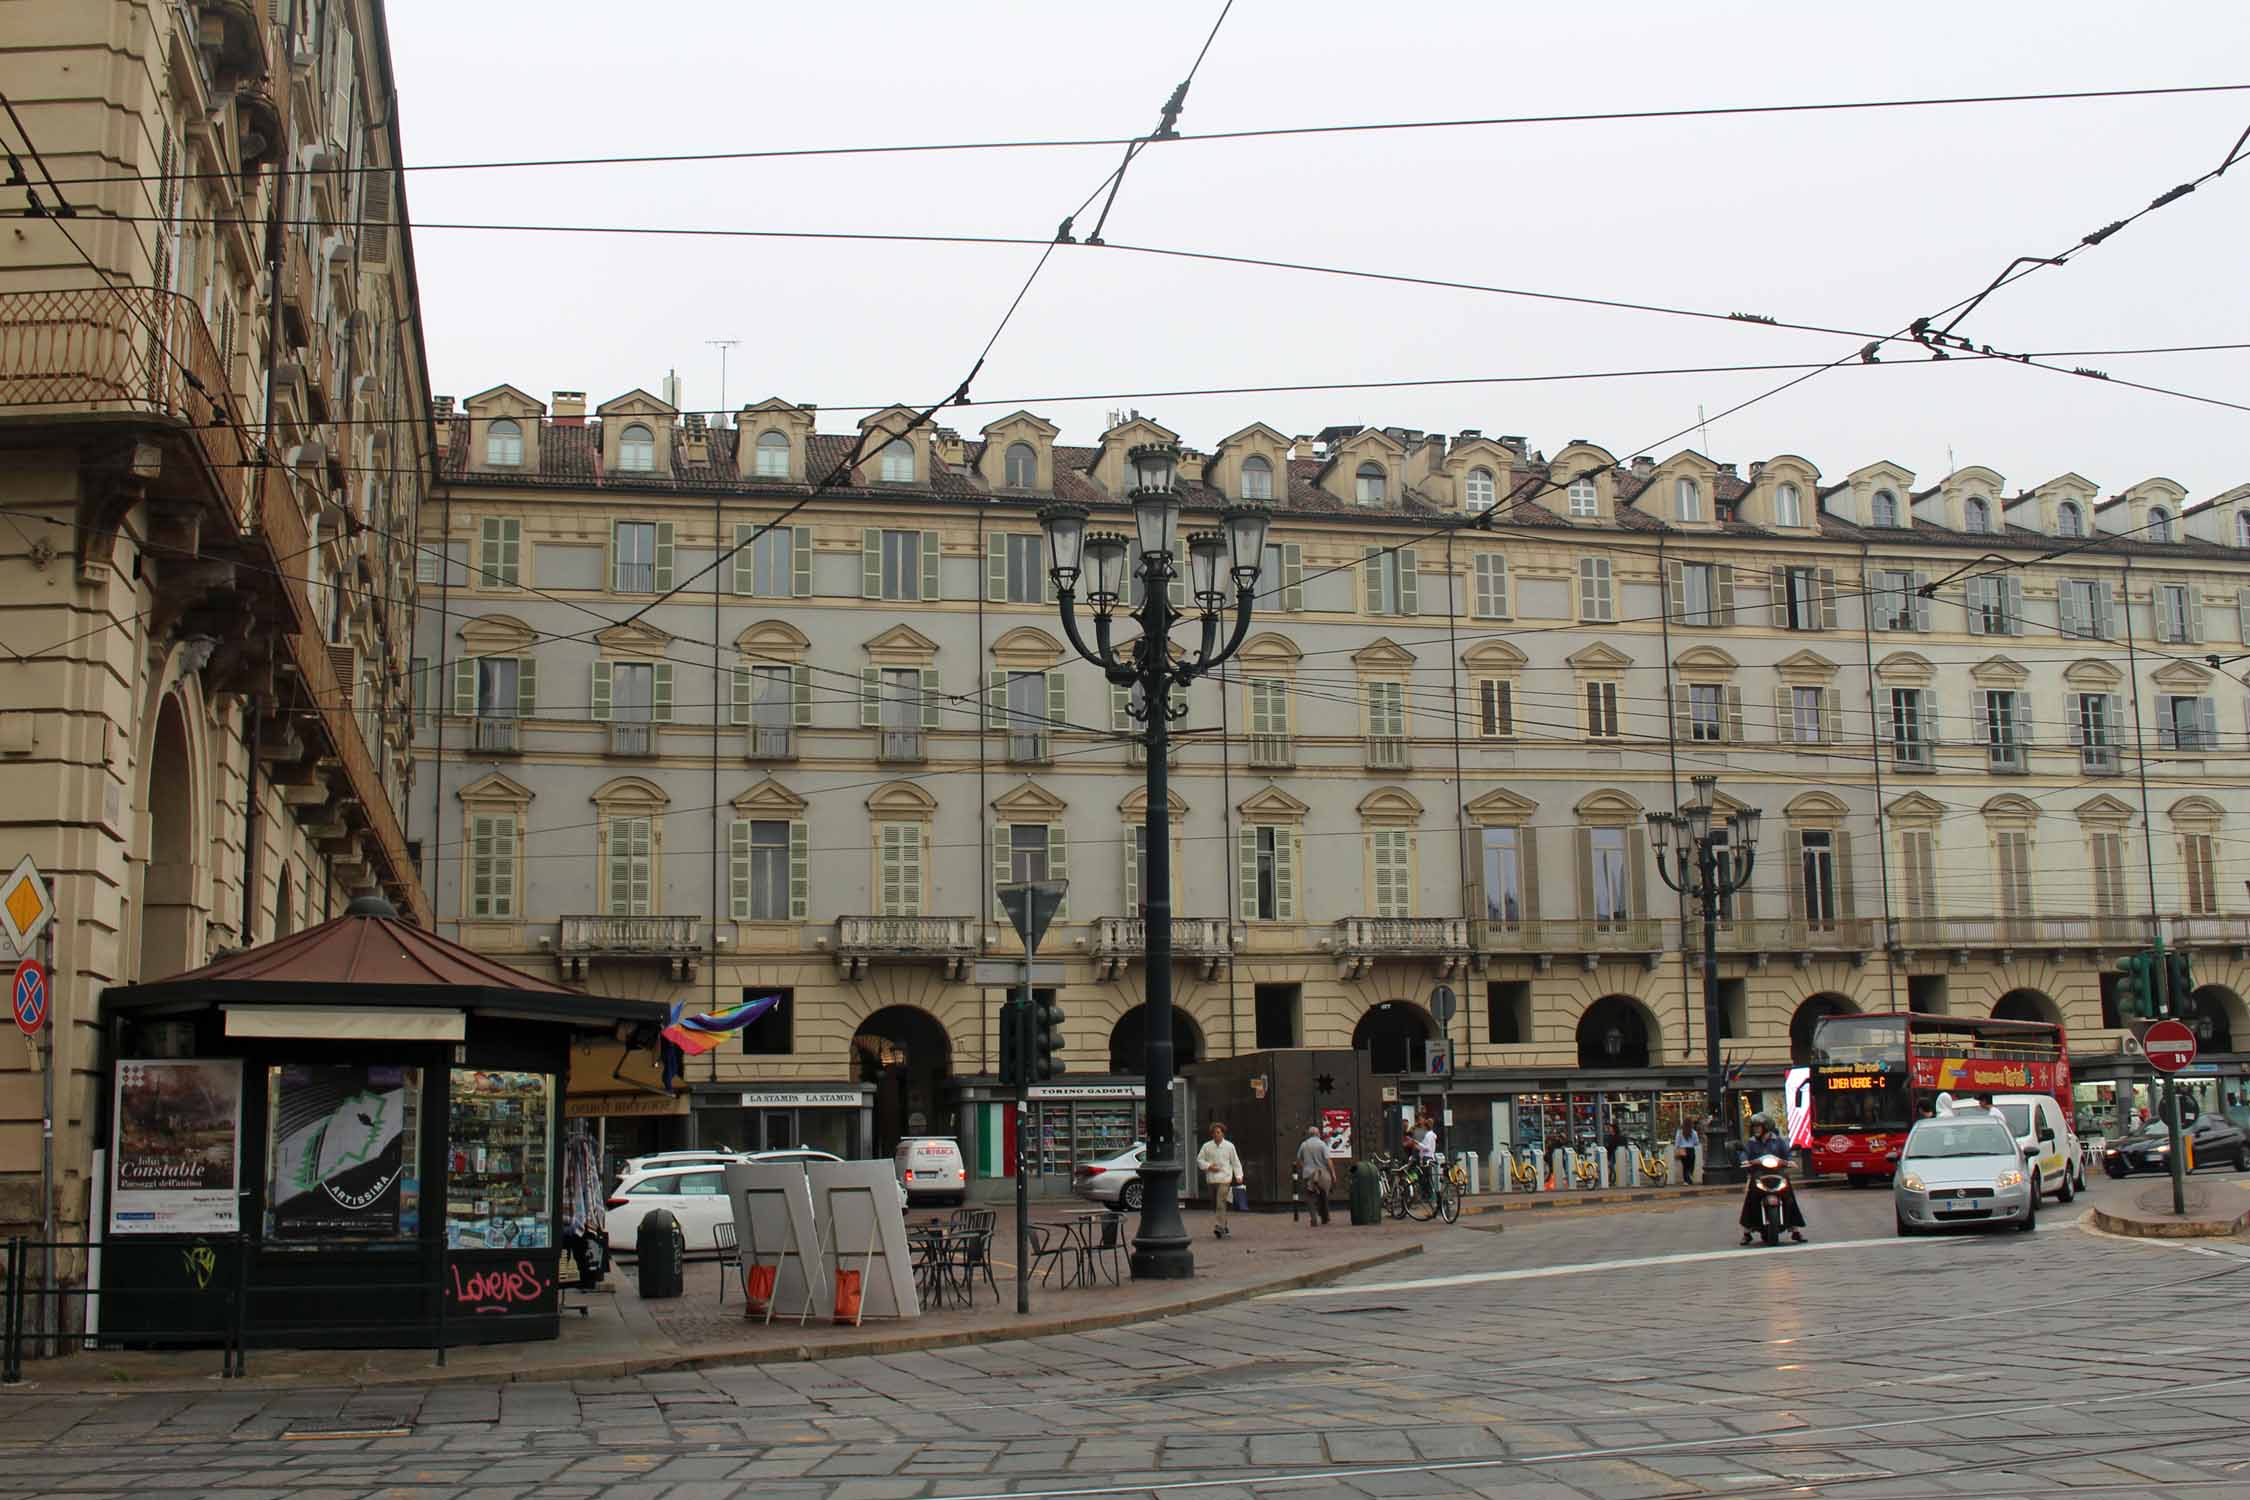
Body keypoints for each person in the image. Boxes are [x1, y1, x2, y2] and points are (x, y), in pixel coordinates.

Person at [1196, 1122, 1244, 1239]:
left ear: (1223, 1133)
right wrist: (1209, 1166)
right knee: (1215, 1205)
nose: (1216, 1135)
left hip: (1225, 1179)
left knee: (1220, 1202)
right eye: (1214, 1133)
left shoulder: (1229, 1146)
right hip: (1211, 1180)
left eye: (1218, 1132)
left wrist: (1239, 1175)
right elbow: (1199, 1160)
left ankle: (1219, 1227)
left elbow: (1235, 1162)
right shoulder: (1206, 1146)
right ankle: (1224, 1225)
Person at [1295, 1121, 1337, 1225]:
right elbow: (1328, 1160)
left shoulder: (1304, 1145)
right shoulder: (1322, 1144)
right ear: (1317, 1134)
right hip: (1322, 1174)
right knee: (1323, 1195)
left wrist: (1303, 1167)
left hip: (1309, 1174)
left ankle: (1313, 1218)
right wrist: (1333, 1174)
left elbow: (1298, 1160)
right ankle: (1325, 1217)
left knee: (1310, 1196)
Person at [1673, 1119, 1699, 1185]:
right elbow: (1696, 1142)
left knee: (1685, 1166)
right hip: (1691, 1150)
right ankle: (1690, 1176)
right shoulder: (1694, 1132)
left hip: (1683, 1150)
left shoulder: (1680, 1132)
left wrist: (1676, 1148)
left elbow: (1677, 1142)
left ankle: (1686, 1181)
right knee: (1691, 1165)